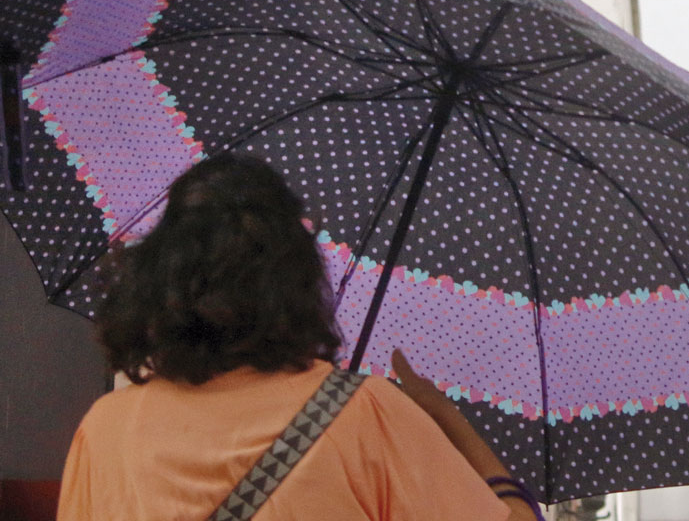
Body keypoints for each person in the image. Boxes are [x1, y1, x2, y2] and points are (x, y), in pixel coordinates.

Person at [55, 153, 539, 521]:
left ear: (157, 272)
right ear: (296, 278)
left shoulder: (103, 430)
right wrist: (444, 415)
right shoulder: (365, 415)